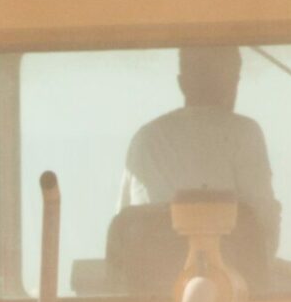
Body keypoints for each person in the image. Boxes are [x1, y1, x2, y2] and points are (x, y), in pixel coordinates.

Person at [118, 43, 281, 262]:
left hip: (149, 287)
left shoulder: (145, 138)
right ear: (234, 82)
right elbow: (264, 229)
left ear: (182, 84)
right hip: (230, 285)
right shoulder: (245, 133)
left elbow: (123, 232)